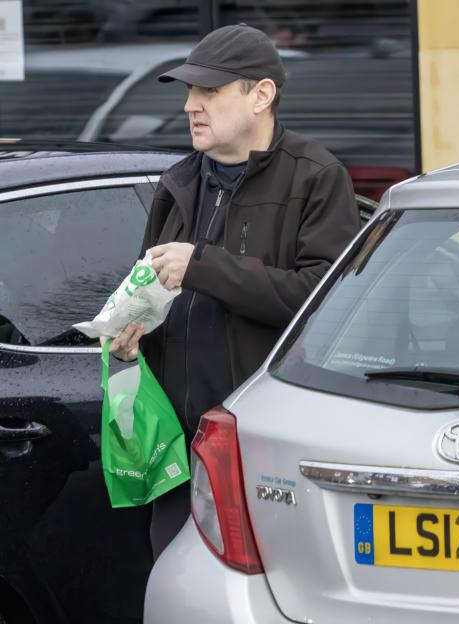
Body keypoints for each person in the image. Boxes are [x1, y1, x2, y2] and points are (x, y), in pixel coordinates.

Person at [106, 24, 360, 558]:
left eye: (209, 91)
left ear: (261, 95)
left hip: (265, 451)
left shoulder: (314, 177)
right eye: (188, 92)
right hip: (179, 449)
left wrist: (203, 266)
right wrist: (131, 341)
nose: (190, 106)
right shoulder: (178, 183)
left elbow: (322, 302)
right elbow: (154, 290)